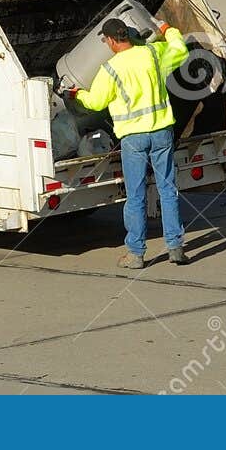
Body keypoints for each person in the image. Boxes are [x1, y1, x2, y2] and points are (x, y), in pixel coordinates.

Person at [71, 16, 189, 270]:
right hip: (161, 132)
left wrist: (76, 94)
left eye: (106, 40)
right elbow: (180, 49)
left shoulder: (111, 69)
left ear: (112, 40)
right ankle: (175, 247)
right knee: (167, 191)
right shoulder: (153, 53)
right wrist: (167, 29)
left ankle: (136, 254)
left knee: (135, 196)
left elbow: (96, 102)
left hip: (134, 139)